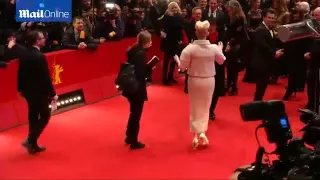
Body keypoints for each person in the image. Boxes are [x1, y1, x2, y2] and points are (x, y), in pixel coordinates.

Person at [179, 20, 225, 149]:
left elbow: (182, 67)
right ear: (207, 33)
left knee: (195, 106)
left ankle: (196, 134)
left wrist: (180, 63)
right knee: (206, 106)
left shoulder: (189, 49)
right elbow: (221, 61)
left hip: (194, 80)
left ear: (195, 32)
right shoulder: (213, 48)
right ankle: (202, 132)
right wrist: (220, 50)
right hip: (209, 80)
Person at [17, 30, 58, 154]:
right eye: (42, 38)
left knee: (33, 115)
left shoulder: (24, 53)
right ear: (36, 41)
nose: (44, 39)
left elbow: (20, 73)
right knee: (45, 115)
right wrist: (53, 94)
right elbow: (45, 77)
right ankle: (30, 140)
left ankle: (33, 145)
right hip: (38, 92)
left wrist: (20, 89)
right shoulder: (39, 57)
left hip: (28, 91)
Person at [122, 31, 152, 150]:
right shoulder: (141, 54)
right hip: (137, 87)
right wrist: (149, 69)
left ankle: (129, 136)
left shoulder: (133, 50)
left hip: (130, 86)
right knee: (136, 114)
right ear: (146, 42)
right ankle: (134, 140)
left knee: (133, 112)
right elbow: (141, 73)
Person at [251, 8, 284, 101]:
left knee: (262, 86)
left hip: (266, 62)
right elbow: (263, 46)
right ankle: (256, 105)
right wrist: (274, 53)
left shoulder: (268, 29)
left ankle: (258, 103)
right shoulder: (260, 30)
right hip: (261, 63)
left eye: (273, 18)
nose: (272, 20)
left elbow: (270, 43)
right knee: (260, 87)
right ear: (264, 18)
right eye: (269, 18)